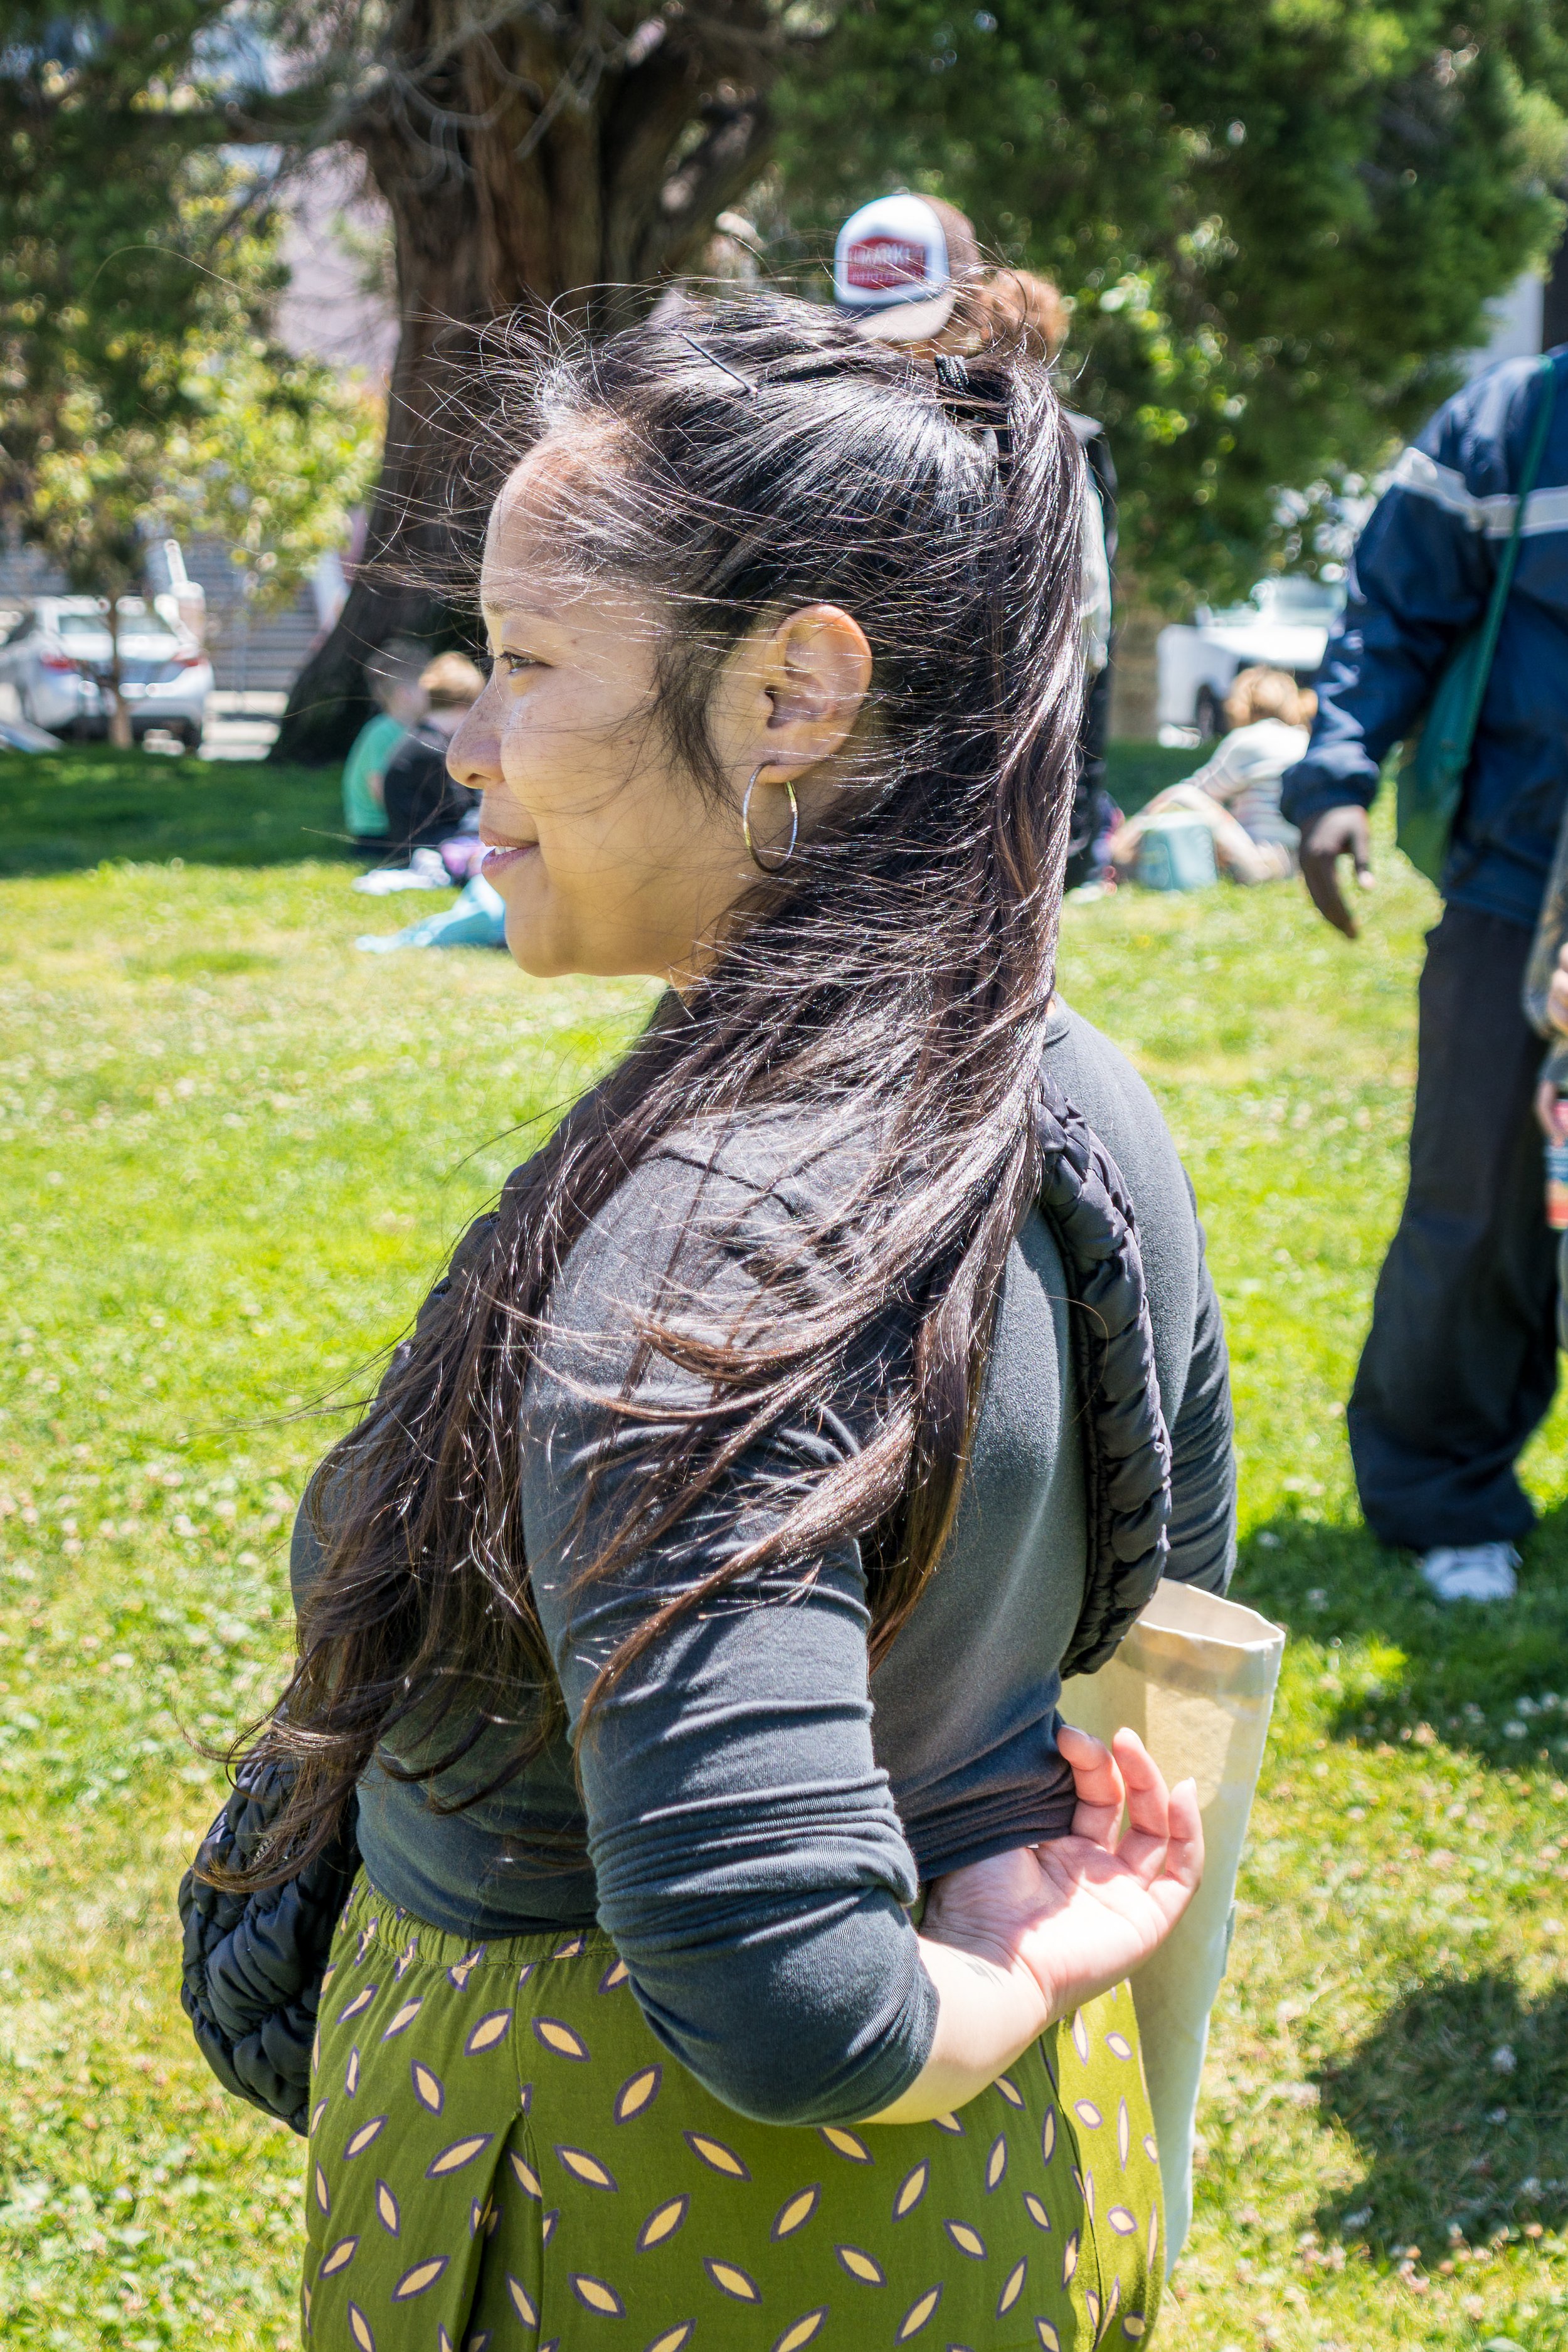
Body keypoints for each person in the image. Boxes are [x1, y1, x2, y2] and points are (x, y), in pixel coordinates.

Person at [232, 297, 1234, 2350]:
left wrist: (1016, 1962)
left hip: (645, 2219)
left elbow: (794, 2001)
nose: (466, 738)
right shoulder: (1060, 1076)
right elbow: (1149, 1602)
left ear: (798, 692)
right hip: (1009, 2205)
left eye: (524, 663)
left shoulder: (720, 1267)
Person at [1279, 342, 1568, 1602]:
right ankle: (1443, 1498)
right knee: (1475, 1195)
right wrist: (1333, 779)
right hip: (1516, 885)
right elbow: (1388, 614)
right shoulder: (1511, 420)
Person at [833, 194, 1118, 888]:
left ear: (971, 315)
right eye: (883, 338)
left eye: (924, 333)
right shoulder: (825, 430)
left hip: (979, 787)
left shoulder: (1031, 447)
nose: (908, 358)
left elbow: (1078, 632)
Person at [1107, 666, 1312, 885]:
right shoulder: (1305, 740)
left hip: (1263, 863)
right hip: (1300, 863)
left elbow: (1199, 792)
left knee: (1181, 794)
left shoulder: (1249, 740)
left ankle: (1113, 853)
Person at [380, 650, 486, 853]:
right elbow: (458, 808)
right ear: (464, 706)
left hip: (415, 839)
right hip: (425, 844)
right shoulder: (433, 749)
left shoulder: (420, 738)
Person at [339, 638, 428, 847]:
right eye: (429, 687)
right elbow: (379, 788)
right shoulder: (382, 732)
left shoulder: (411, 729)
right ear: (405, 695)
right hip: (377, 832)